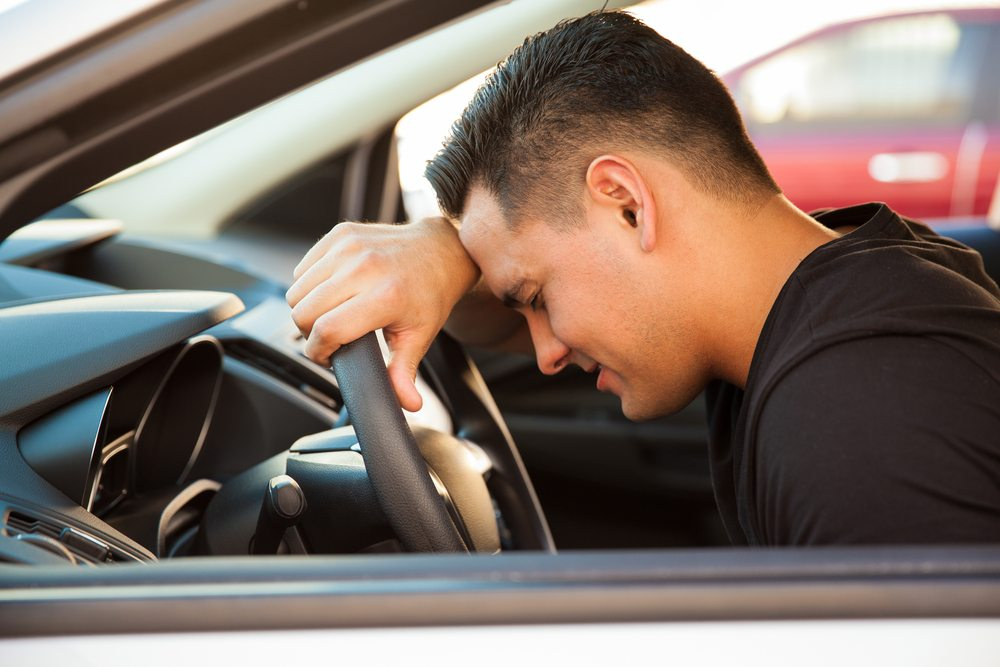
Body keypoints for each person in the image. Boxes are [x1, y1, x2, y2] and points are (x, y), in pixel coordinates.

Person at [285, 11, 1000, 545]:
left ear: (627, 204)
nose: (542, 351)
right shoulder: (849, 286)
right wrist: (443, 247)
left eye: (535, 298)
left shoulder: (855, 428)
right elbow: (493, 311)